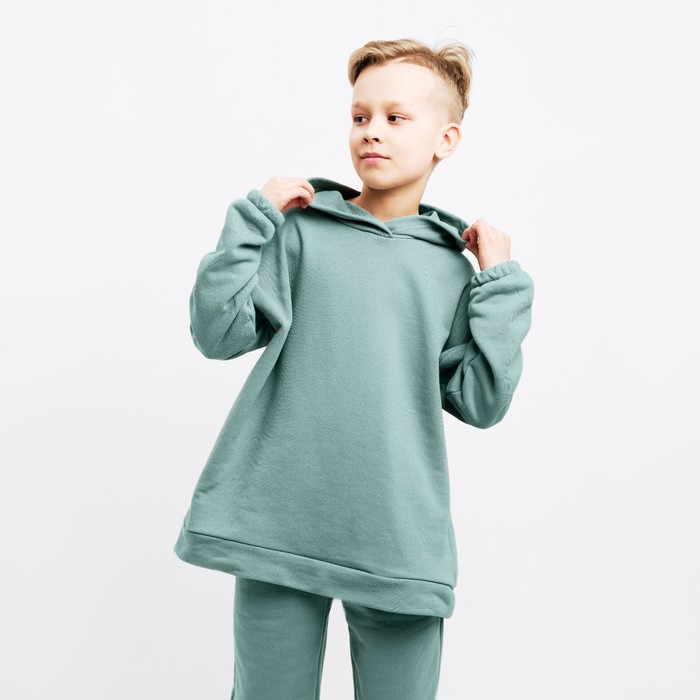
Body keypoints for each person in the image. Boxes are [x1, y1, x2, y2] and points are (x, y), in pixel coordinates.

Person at [174, 36, 535, 699]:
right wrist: (253, 220)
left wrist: (501, 284)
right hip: (278, 525)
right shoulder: (299, 231)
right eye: (361, 115)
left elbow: (482, 402)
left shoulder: (452, 269)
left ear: (446, 139)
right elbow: (216, 334)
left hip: (398, 538)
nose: (372, 131)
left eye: (396, 117)